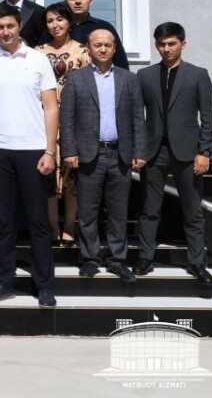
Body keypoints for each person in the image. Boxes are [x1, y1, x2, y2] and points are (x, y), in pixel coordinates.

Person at [0, 6, 59, 307]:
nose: (5, 32)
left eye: (10, 26)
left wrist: (50, 150)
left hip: (33, 150)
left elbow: (51, 106)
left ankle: (44, 285)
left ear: (20, 26)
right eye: (0, 27)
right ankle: (4, 282)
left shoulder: (38, 59)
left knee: (38, 221)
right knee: (3, 221)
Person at [59, 30, 145, 283]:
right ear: (88, 47)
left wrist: (139, 151)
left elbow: (138, 119)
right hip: (89, 154)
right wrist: (69, 150)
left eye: (108, 45)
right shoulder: (76, 79)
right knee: (88, 210)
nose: (104, 49)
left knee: (119, 211)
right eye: (98, 45)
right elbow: (67, 118)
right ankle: (89, 258)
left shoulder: (129, 79)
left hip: (120, 154)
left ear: (115, 48)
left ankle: (118, 259)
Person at [135, 22, 212, 286]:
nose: (166, 48)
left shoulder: (198, 75)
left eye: (171, 43)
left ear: (183, 44)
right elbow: (137, 116)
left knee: (192, 210)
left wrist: (204, 151)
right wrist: (139, 149)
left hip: (188, 152)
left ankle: (197, 263)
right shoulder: (145, 76)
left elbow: (208, 116)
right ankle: (145, 258)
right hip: (153, 152)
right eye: (161, 44)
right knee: (149, 209)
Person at [36, 2, 92, 246]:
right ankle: (52, 226)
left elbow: (90, 87)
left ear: (69, 22)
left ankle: (69, 224)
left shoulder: (83, 51)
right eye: (50, 21)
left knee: (72, 177)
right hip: (44, 117)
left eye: (59, 19)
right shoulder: (37, 52)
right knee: (47, 176)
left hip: (74, 118)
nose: (54, 25)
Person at [53, 0, 130, 69]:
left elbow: (120, 61)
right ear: (65, 3)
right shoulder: (56, 28)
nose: (78, 1)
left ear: (90, 2)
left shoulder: (104, 27)